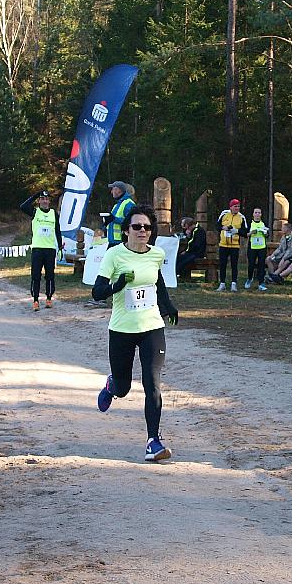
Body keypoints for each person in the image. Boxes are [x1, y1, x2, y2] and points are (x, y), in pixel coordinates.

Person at [93, 205, 180, 463]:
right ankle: (112, 385)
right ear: (126, 230)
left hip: (152, 327)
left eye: (147, 227)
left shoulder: (156, 254)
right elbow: (97, 293)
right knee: (123, 388)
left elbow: (157, 281)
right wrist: (118, 284)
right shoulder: (114, 255)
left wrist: (168, 306)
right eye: (137, 226)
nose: (143, 231)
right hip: (122, 329)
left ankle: (153, 442)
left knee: (152, 383)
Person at [19, 190, 59, 310]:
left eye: (46, 199)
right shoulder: (35, 212)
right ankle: (35, 300)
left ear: (49, 201)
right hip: (37, 249)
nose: (45, 201)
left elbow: (57, 230)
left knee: (50, 276)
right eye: (42, 199)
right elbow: (23, 206)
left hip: (50, 249)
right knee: (36, 276)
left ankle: (49, 298)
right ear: (39, 201)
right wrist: (35, 195)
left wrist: (60, 247)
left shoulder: (53, 213)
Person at [215, 198, 249, 291]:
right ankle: (222, 283)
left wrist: (236, 231)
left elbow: (245, 232)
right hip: (223, 244)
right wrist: (223, 227)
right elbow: (217, 226)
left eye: (238, 206)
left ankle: (234, 284)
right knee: (222, 264)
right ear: (230, 207)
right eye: (235, 206)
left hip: (235, 245)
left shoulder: (241, 217)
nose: (237, 208)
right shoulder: (224, 214)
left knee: (234, 265)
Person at [104, 181, 136, 247]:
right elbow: (113, 220)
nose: (111, 192)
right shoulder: (116, 205)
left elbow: (132, 222)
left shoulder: (129, 203)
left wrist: (113, 219)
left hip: (122, 241)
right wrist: (106, 223)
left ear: (118, 190)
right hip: (113, 241)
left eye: (113, 189)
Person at [247, 208, 271, 290]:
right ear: (253, 214)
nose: (257, 214)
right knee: (251, 264)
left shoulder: (264, 223)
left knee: (261, 265)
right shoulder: (250, 223)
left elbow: (268, 235)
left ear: (261, 214)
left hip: (262, 247)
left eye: (259, 213)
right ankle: (249, 279)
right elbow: (246, 234)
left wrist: (265, 233)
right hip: (252, 247)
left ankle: (261, 283)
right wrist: (251, 233)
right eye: (256, 212)